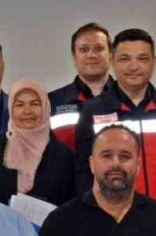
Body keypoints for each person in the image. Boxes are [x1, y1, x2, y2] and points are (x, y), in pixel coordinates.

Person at [73, 28, 156, 208]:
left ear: (154, 62)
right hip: (112, 217)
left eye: (142, 58)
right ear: (112, 60)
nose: (133, 66)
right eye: (125, 59)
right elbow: (83, 172)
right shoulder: (93, 110)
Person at [0, 78, 75, 207]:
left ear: (45, 107)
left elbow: (70, 203)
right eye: (19, 105)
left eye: (35, 104)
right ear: (10, 109)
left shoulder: (64, 155)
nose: (27, 111)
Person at [48, 22, 113, 151]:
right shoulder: (51, 103)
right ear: (74, 57)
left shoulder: (128, 100)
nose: (92, 55)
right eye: (84, 49)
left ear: (111, 54)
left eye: (99, 48)